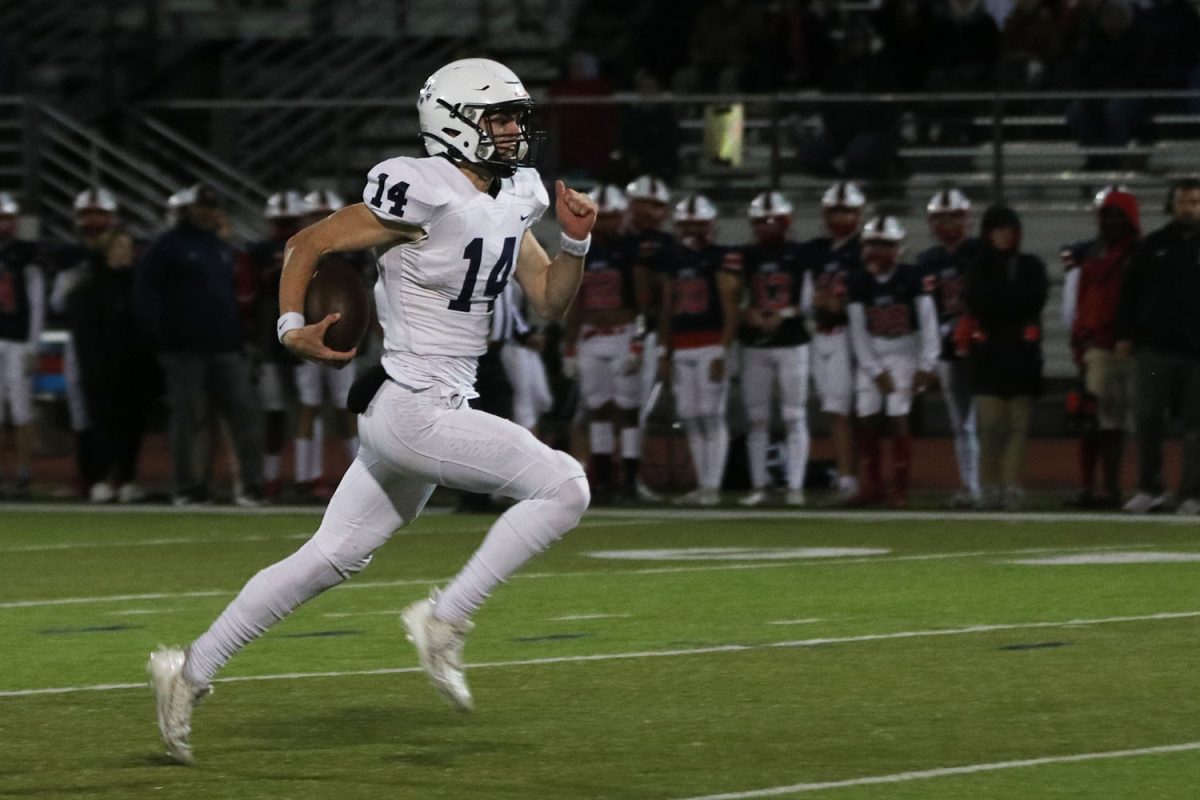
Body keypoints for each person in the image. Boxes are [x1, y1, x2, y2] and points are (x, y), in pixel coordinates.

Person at [148, 58, 596, 765]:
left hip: (427, 407)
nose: (513, 130)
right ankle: (445, 618)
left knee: (329, 557)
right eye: (498, 117)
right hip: (415, 409)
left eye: (516, 116)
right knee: (565, 486)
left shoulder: (517, 193)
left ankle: (188, 670)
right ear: (452, 121)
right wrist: (290, 325)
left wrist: (575, 241)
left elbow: (547, 299)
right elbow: (310, 243)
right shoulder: (420, 187)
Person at [134, 184, 264, 507]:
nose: (207, 212)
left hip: (224, 346)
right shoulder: (166, 247)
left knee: (243, 413)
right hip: (183, 348)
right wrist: (158, 335)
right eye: (201, 207)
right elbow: (145, 292)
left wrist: (237, 337)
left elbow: (226, 298)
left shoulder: (219, 247)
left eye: (211, 207)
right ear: (188, 210)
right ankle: (186, 487)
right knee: (188, 418)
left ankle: (249, 485)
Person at [59, 189, 156, 504]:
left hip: (131, 367)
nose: (124, 253)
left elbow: (144, 326)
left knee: (129, 426)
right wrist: (95, 367)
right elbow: (85, 332)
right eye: (119, 247)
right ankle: (97, 477)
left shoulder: (137, 283)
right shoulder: (88, 285)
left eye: (128, 247)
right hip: (99, 367)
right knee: (98, 423)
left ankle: (125, 478)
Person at [1116, 178, 1200, 515]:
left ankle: (1192, 494)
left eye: (1194, 202)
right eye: (1182, 202)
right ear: (1172, 205)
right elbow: (1130, 294)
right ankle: (1150, 487)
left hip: (1198, 355)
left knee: (1197, 426)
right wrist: (1125, 334)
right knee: (1147, 417)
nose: (1188, 208)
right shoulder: (1152, 246)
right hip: (1155, 351)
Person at [846, 216, 939, 508]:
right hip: (872, 351)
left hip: (904, 351)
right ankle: (872, 484)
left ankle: (899, 488)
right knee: (865, 416)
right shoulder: (859, 280)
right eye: (874, 243)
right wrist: (874, 370)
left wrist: (926, 364)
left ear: (899, 247)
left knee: (898, 416)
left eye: (886, 244)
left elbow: (928, 323)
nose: (879, 250)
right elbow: (858, 331)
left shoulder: (911, 276)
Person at [962, 205, 1048, 510]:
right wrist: (1012, 301)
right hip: (989, 359)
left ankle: (1010, 485)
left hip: (1020, 358)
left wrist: (1001, 301)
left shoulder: (1030, 265)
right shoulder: (978, 267)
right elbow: (980, 301)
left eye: (1009, 230)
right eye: (998, 230)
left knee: (1017, 426)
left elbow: (1035, 298)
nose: (1005, 236)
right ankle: (990, 485)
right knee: (990, 426)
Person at [656, 194, 740, 506]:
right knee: (690, 416)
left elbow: (731, 310)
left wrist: (721, 350)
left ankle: (712, 485)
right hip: (682, 345)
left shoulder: (720, 257)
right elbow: (667, 308)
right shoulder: (673, 258)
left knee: (711, 415)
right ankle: (702, 484)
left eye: (698, 223)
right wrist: (665, 351)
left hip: (709, 344)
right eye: (687, 224)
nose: (692, 229)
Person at [562, 184, 643, 502]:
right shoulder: (582, 246)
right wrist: (569, 345)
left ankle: (630, 481)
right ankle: (605, 479)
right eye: (602, 217)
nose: (605, 223)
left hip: (623, 334)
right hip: (591, 337)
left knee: (627, 410)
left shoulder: (632, 249)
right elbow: (576, 301)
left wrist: (638, 339)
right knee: (598, 409)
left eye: (610, 217)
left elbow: (644, 300)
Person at [734, 191, 812, 507]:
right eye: (761, 221)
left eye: (773, 220)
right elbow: (734, 294)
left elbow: (806, 301)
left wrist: (785, 314)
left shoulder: (799, 255)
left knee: (794, 415)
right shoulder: (745, 256)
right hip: (755, 343)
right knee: (757, 418)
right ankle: (760, 485)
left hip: (791, 341)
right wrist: (746, 312)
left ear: (787, 222)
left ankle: (795, 486)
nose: (767, 227)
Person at [1067, 187, 1140, 509]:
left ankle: (1113, 487)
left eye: (1116, 216)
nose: (1110, 222)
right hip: (1098, 347)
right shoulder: (1092, 258)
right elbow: (1080, 305)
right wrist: (1080, 344)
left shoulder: (1140, 256)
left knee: (1120, 421)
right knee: (1093, 419)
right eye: (1106, 216)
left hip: (1132, 350)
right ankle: (1091, 486)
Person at [292, 189, 363, 500]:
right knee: (308, 408)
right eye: (316, 217)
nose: (321, 222)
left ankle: (358, 480)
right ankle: (304, 478)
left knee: (346, 408)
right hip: (307, 335)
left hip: (344, 336)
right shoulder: (299, 250)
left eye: (326, 216)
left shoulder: (353, 250)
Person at [802, 181, 865, 503]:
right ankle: (848, 478)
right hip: (822, 335)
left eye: (847, 211)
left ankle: (849, 480)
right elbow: (805, 297)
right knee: (834, 410)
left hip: (850, 336)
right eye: (835, 211)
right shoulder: (816, 249)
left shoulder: (865, 248)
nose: (841, 217)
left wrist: (844, 302)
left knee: (845, 411)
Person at [918, 188, 981, 508]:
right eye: (940, 218)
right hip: (946, 346)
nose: (946, 224)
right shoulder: (928, 261)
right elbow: (926, 311)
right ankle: (971, 486)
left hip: (982, 346)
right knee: (961, 421)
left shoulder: (979, 253)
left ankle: (992, 485)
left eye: (952, 216)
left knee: (988, 418)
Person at [248, 190, 307, 499]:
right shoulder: (257, 251)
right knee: (274, 413)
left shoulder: (310, 245)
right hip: (271, 342)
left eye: (289, 221)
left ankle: (305, 476)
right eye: (280, 221)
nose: (284, 226)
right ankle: (272, 476)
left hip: (304, 338)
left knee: (306, 413)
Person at [0, 192, 44, 497]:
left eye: (6, 219)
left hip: (17, 338)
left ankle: (24, 473)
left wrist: (33, 344)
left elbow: (37, 301)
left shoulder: (25, 255)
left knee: (21, 408)